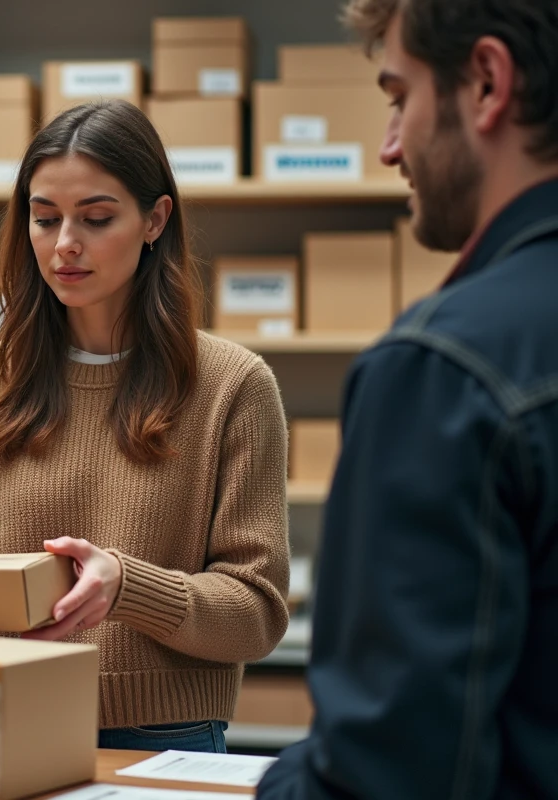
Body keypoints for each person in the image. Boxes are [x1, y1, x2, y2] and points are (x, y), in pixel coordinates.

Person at [0, 100, 291, 753]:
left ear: (155, 219)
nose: (65, 243)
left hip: (164, 736)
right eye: (44, 219)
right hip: (4, 716)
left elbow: (257, 612)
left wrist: (128, 587)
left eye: (96, 218)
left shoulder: (233, 386)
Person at [258, 1, 558, 797]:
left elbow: (384, 775)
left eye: (399, 98)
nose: (390, 146)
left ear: (487, 83)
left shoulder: (443, 368)